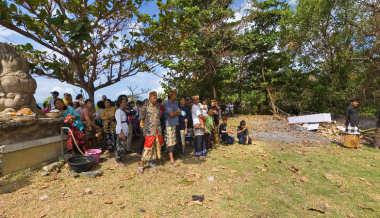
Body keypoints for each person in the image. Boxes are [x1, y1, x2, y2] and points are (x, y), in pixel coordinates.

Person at [139, 91, 164, 173]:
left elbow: (159, 116)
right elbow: (141, 117)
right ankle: (141, 165)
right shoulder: (145, 106)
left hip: (157, 130)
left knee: (154, 148)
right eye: (154, 97)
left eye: (156, 97)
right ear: (150, 98)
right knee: (147, 148)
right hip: (149, 131)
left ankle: (152, 162)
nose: (155, 99)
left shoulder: (158, 106)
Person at [164, 90, 181, 165]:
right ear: (171, 95)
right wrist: (176, 112)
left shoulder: (176, 103)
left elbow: (179, 112)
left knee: (174, 141)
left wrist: (176, 113)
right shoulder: (167, 104)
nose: (176, 96)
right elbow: (171, 114)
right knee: (170, 142)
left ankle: (174, 156)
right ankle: (171, 159)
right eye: (175, 95)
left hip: (175, 124)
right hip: (169, 125)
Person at [115, 97, 129, 163]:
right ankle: (118, 160)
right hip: (121, 129)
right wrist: (121, 132)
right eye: (123, 102)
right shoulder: (118, 111)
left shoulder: (123, 111)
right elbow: (118, 123)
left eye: (125, 102)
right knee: (120, 145)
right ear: (120, 103)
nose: (125, 103)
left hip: (124, 128)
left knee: (123, 145)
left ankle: (121, 158)